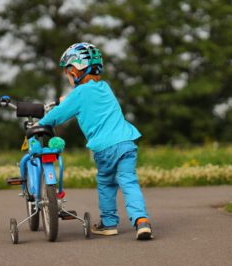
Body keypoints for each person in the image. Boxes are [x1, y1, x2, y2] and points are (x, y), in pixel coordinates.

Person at [38, 42, 153, 240]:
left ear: (75, 70)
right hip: (127, 142)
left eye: (67, 73)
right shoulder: (104, 87)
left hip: (105, 148)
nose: (68, 77)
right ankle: (142, 221)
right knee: (129, 182)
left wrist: (39, 124)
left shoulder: (79, 94)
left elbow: (57, 115)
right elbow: (89, 99)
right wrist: (69, 98)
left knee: (107, 183)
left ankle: (109, 224)